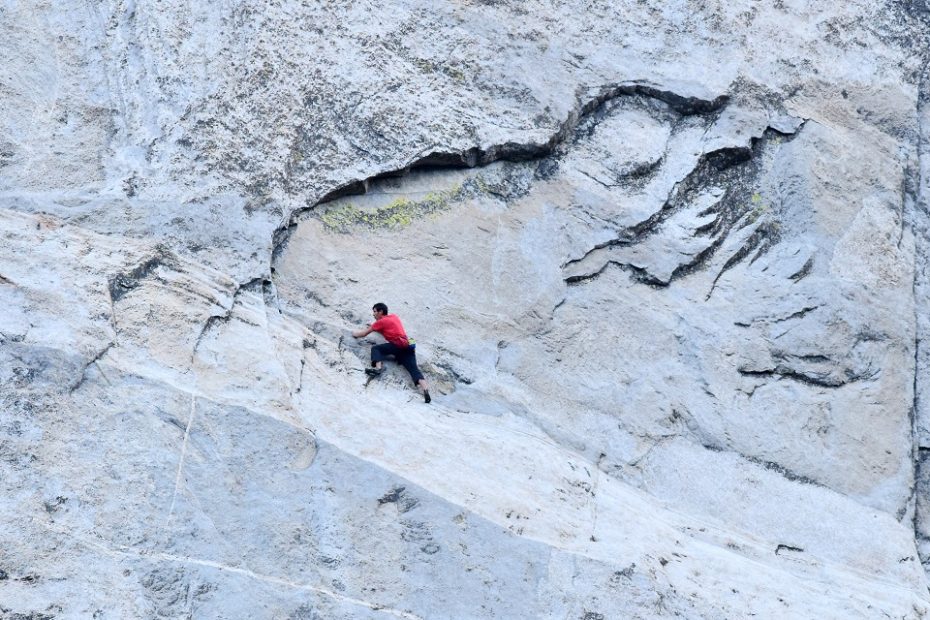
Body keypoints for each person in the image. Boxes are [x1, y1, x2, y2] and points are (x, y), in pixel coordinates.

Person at [353, 302, 431, 403]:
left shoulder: (380, 322)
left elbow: (363, 334)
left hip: (397, 345)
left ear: (381, 312)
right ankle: (425, 390)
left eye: (375, 311)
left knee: (376, 349)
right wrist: (375, 327)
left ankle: (378, 368)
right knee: (414, 370)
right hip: (408, 346)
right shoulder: (394, 317)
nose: (373, 314)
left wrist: (354, 333)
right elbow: (389, 329)